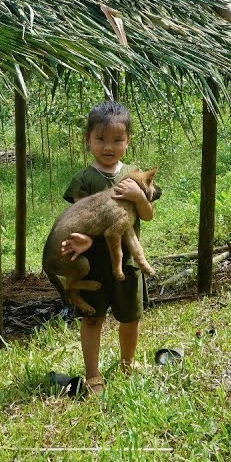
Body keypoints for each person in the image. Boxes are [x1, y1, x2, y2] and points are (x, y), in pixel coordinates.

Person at [58, 100, 158, 395]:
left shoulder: (134, 175)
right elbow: (79, 218)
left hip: (126, 261)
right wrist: (87, 240)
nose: (108, 147)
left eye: (117, 140)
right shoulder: (84, 180)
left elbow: (148, 215)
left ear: (127, 141)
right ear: (88, 139)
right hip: (92, 261)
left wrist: (138, 198)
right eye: (100, 139)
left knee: (130, 316)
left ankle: (128, 363)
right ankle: (92, 374)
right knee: (93, 318)